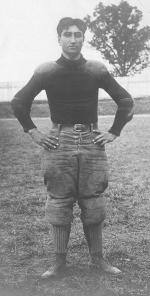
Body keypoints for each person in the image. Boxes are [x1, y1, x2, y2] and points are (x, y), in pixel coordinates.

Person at [11, 17, 134, 278]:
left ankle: (98, 260)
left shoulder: (96, 69)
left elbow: (125, 101)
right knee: (59, 201)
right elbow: (19, 102)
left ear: (83, 38)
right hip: (58, 141)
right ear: (59, 38)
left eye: (78, 34)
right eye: (67, 34)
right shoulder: (46, 71)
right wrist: (33, 132)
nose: (73, 39)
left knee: (94, 202)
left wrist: (113, 132)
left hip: (91, 141)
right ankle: (58, 263)